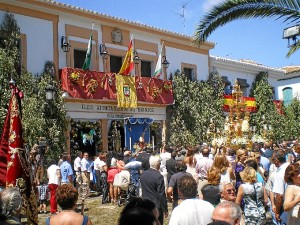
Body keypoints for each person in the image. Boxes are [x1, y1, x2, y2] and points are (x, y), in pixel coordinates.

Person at [140, 155, 168, 225]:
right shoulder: (158, 176)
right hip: (155, 206)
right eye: (159, 163)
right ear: (157, 164)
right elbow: (161, 194)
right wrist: (165, 209)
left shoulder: (143, 174)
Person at [272, 150, 289, 224]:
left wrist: (277, 212)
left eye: (273, 160)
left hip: (285, 208)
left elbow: (279, 195)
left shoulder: (280, 173)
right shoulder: (292, 167)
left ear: (276, 160)